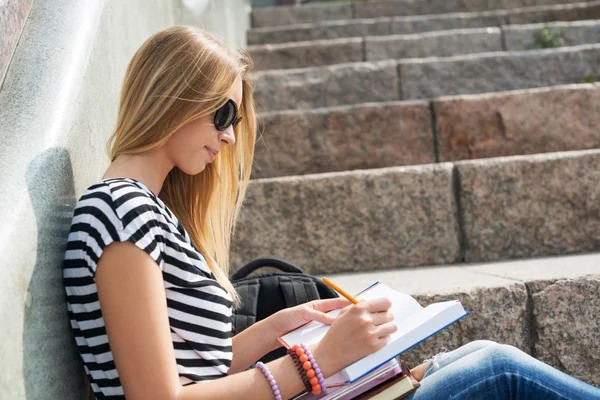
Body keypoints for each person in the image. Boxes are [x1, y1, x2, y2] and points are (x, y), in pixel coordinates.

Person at [62, 26, 600, 400]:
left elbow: (193, 370)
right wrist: (315, 363)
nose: (228, 137)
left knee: (476, 354)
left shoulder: (145, 211)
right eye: (223, 113)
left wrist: (279, 330)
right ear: (174, 97)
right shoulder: (120, 213)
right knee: (495, 372)